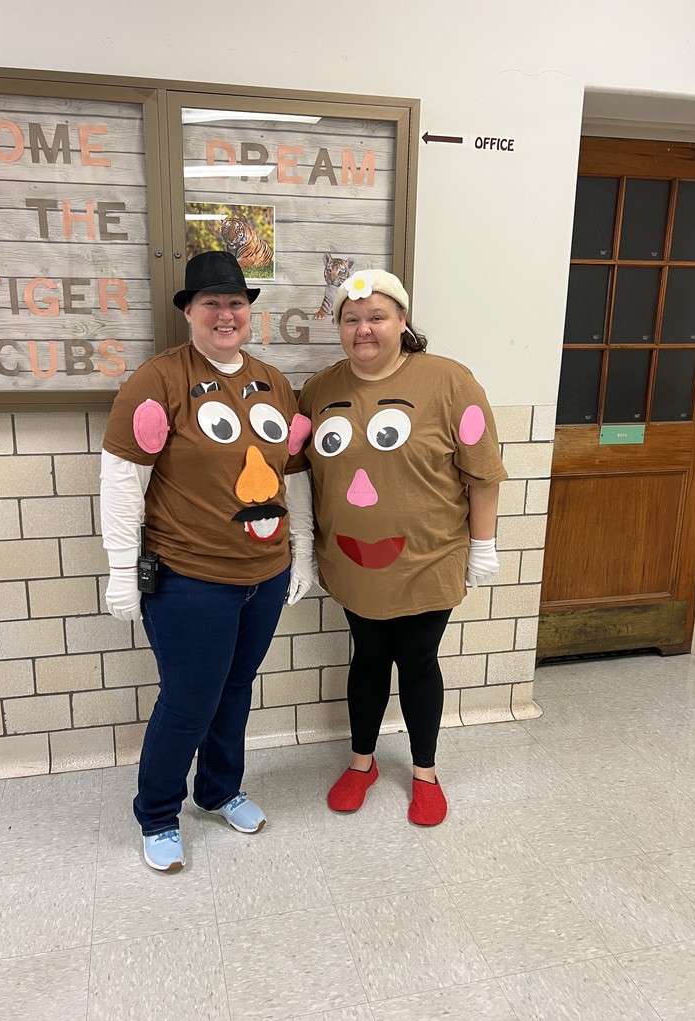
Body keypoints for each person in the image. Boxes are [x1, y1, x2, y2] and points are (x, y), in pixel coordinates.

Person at [100, 250, 315, 871]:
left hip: (266, 574)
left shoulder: (274, 381)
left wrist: (301, 553)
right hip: (189, 577)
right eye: (212, 303)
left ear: (249, 313)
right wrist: (120, 568)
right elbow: (121, 478)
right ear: (189, 313)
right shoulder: (158, 380)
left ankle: (219, 789)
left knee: (236, 690)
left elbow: (293, 474)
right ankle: (159, 812)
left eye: (236, 303)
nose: (226, 314)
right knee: (190, 699)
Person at [297, 269, 507, 827]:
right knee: (367, 657)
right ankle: (362, 762)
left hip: (429, 557)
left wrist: (482, 546)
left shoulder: (448, 382)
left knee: (416, 659)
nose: (363, 329)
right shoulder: (320, 390)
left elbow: (483, 474)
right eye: (351, 319)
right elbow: (300, 473)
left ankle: (424, 773)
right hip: (350, 557)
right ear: (338, 327)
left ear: (402, 321)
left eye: (376, 317)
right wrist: (302, 549)